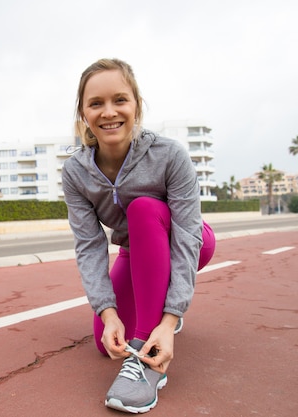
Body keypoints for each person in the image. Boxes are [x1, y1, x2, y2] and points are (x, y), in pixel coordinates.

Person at [62, 58, 216, 413]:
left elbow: (189, 234)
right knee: (106, 345)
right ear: (84, 113)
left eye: (120, 99)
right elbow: (89, 246)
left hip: (189, 240)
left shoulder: (169, 154)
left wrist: (171, 318)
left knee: (144, 208)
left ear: (137, 105)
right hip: (135, 252)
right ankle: (149, 317)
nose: (109, 112)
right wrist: (107, 313)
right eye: (96, 103)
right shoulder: (75, 172)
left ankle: (149, 363)